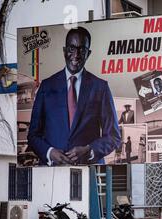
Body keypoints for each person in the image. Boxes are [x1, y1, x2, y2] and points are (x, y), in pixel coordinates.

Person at [27, 26, 120, 166]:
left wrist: (89, 150)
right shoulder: (46, 86)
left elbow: (113, 136)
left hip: (89, 169)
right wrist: (49, 152)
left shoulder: (100, 87)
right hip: (51, 172)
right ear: (65, 51)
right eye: (72, 48)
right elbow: (33, 135)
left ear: (88, 53)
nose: (76, 55)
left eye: (82, 50)